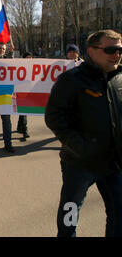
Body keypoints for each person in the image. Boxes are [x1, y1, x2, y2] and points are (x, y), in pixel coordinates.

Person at [45, 29, 122, 237]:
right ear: (92, 51)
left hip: (113, 164)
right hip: (79, 165)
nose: (116, 55)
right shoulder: (71, 80)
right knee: (69, 217)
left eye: (120, 50)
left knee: (119, 214)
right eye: (110, 50)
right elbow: (54, 118)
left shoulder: (119, 78)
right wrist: (80, 146)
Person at [17, 52, 33, 141]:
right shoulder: (20, 67)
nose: (29, 60)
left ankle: (20, 127)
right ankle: (24, 130)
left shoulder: (34, 67)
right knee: (23, 111)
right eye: (27, 58)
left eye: (30, 58)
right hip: (21, 92)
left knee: (23, 112)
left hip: (29, 92)